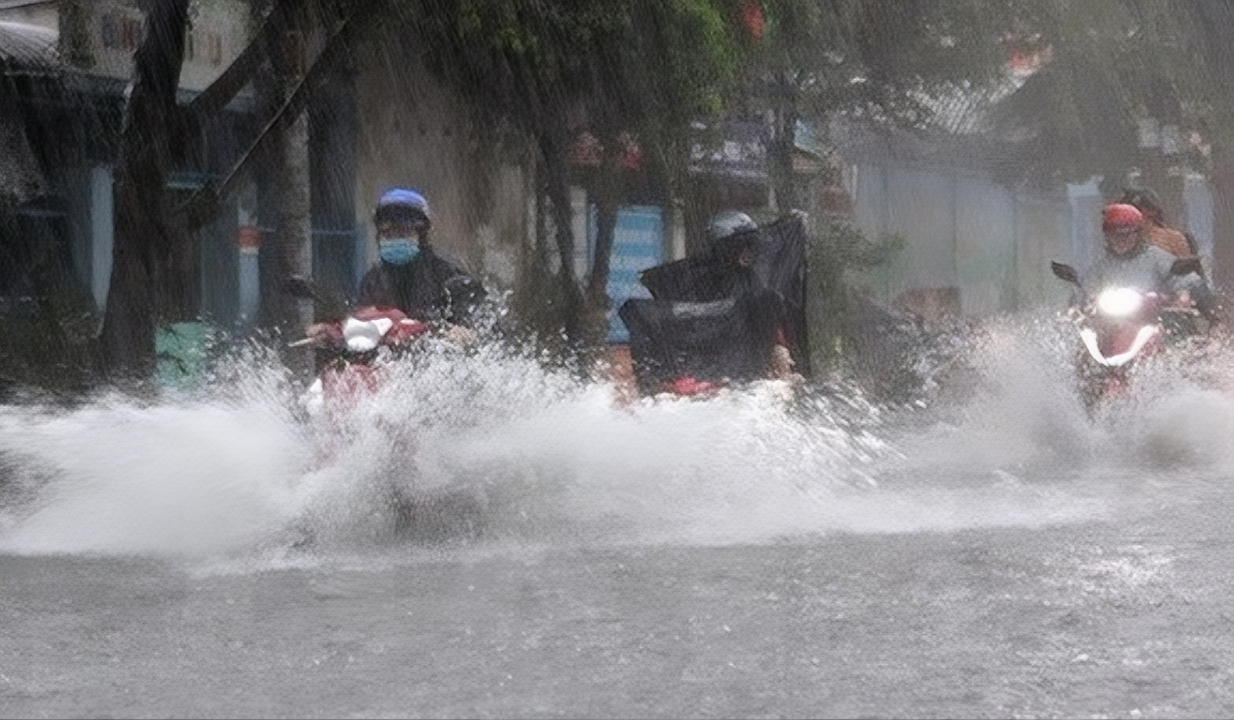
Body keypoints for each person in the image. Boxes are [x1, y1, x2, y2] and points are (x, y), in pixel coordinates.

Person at [357, 187, 486, 328]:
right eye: (387, 233)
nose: (394, 239)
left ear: (422, 236)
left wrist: (460, 333)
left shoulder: (450, 280)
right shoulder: (372, 283)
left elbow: (481, 328)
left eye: (402, 233)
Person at [1082, 203, 1216, 322]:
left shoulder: (1155, 257)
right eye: (1115, 234)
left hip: (1155, 323)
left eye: (1127, 234)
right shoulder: (1100, 267)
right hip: (1111, 326)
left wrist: (1183, 291)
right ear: (1107, 236)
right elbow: (1084, 290)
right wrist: (1080, 305)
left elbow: (1185, 278)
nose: (1121, 239)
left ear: (1138, 234)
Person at [1117, 187, 1198, 258]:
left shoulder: (1172, 240)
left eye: (1133, 212)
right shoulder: (1118, 240)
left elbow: (1186, 271)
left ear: (1150, 212)